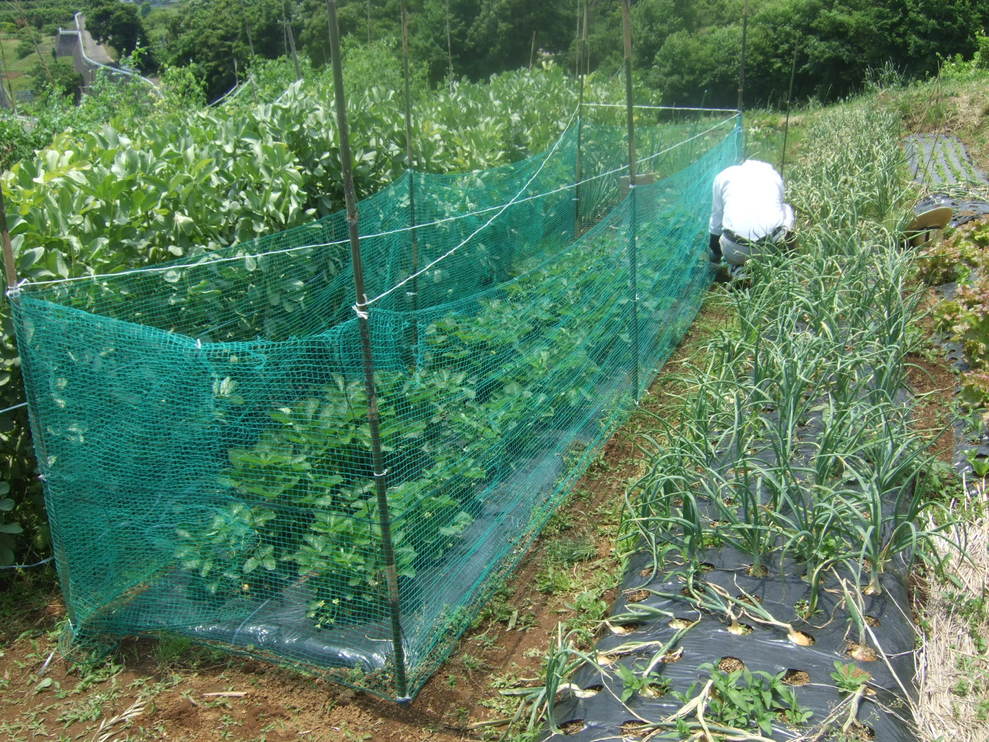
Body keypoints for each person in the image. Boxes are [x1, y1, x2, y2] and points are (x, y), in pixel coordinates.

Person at [708, 159, 795, 279]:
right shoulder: (774, 177)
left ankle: (738, 268)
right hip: (768, 249)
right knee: (786, 208)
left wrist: (715, 255)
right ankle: (784, 262)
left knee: (726, 215)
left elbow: (716, 220)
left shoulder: (723, 176)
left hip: (733, 250)